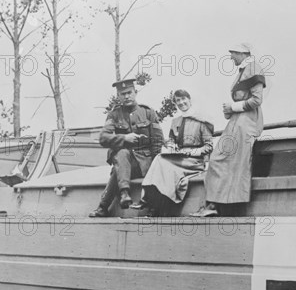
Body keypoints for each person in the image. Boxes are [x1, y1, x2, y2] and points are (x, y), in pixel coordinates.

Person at [190, 43, 266, 217]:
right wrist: (230, 110)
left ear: (241, 53)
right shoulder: (244, 69)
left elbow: (256, 100)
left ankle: (215, 206)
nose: (230, 57)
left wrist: (233, 106)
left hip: (246, 123)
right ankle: (214, 205)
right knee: (223, 161)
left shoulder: (254, 68)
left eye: (232, 53)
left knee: (219, 160)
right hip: (238, 121)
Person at [131, 90, 214, 216]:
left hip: (194, 161)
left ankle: (153, 204)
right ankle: (149, 200)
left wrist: (191, 152)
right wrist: (171, 146)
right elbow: (171, 140)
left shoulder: (202, 120)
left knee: (165, 166)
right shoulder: (176, 122)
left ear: (189, 100)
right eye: (178, 101)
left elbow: (209, 146)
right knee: (160, 159)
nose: (181, 103)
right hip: (178, 158)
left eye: (183, 99)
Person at [88, 79, 164, 217]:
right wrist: (124, 138)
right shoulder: (114, 115)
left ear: (135, 92)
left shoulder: (148, 112)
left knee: (118, 169)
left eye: (129, 92)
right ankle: (124, 193)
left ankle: (103, 206)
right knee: (122, 153)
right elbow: (103, 138)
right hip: (125, 163)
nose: (127, 96)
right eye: (122, 94)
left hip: (145, 163)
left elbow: (158, 140)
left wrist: (155, 165)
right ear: (118, 96)